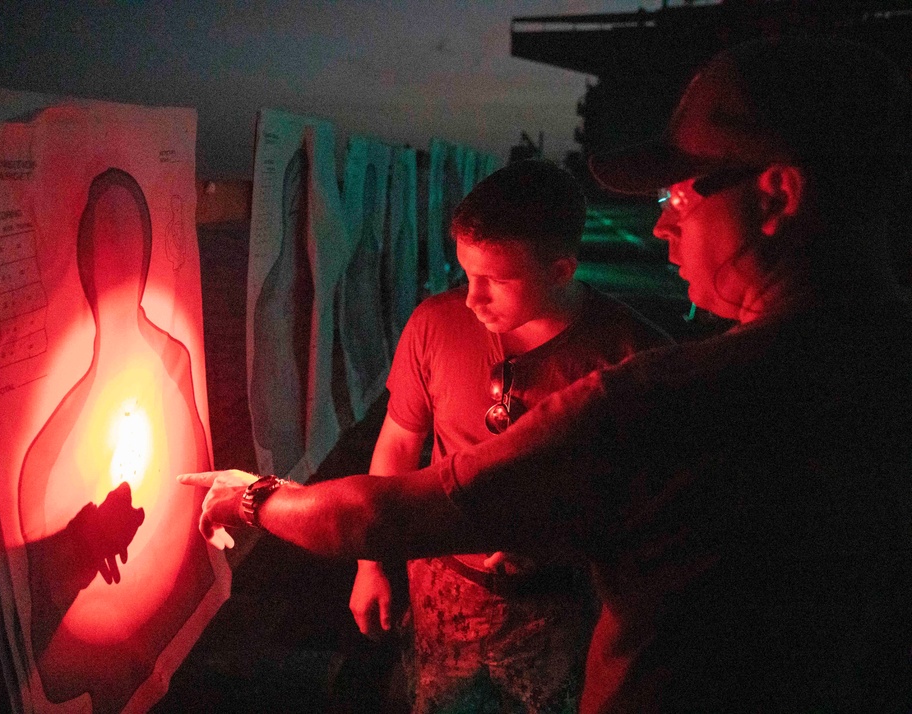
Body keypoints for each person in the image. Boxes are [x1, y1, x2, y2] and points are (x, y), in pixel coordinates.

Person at [181, 35, 912, 712]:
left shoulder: (659, 401)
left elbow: (384, 514)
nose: (662, 225)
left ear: (779, 194)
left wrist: (253, 497)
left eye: (679, 194)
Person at [348, 160, 672, 713]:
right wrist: (370, 563)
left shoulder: (629, 356)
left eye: (496, 280)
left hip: (562, 606)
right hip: (441, 593)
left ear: (561, 269)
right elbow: (399, 444)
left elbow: (652, 503)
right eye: (465, 274)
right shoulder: (435, 323)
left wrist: (561, 533)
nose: (473, 299)